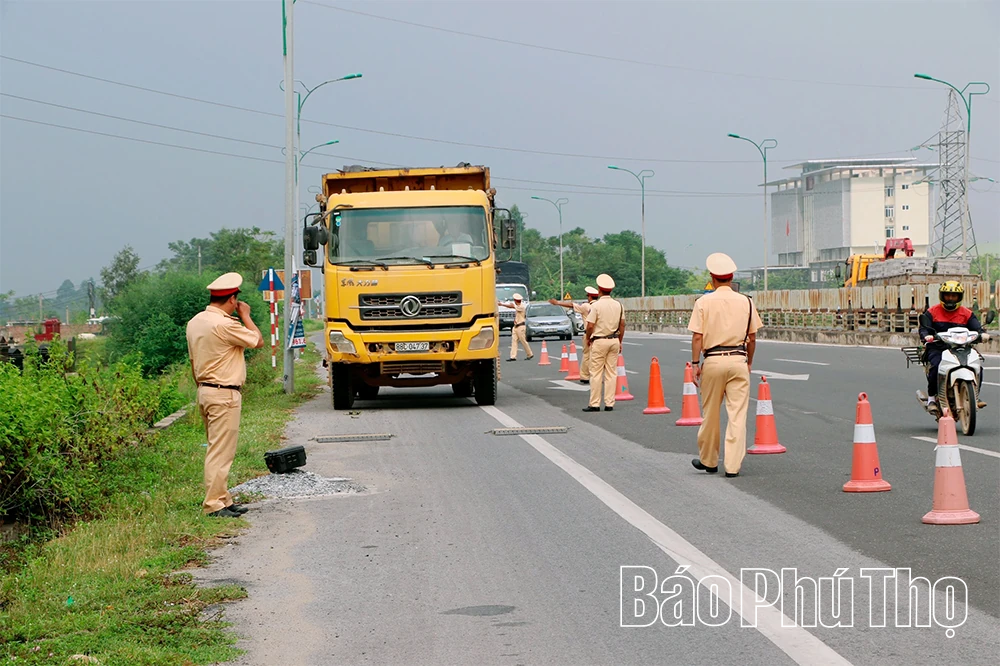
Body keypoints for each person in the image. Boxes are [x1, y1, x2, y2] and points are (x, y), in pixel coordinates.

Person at [186, 272, 265, 518]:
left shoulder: (195, 321)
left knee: (217, 447)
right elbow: (258, 340)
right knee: (221, 452)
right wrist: (246, 315)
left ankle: (223, 498)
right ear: (232, 300)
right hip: (224, 394)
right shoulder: (225, 324)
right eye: (236, 302)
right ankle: (213, 504)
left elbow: (192, 361)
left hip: (205, 390)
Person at [688, 253, 762, 478]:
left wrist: (694, 364)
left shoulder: (703, 302)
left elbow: (697, 338)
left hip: (713, 360)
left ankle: (709, 460)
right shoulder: (747, 302)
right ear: (732, 278)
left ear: (712, 277)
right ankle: (733, 466)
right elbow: (753, 337)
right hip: (738, 359)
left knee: (710, 413)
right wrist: (748, 362)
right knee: (737, 415)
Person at [918, 281, 987, 415]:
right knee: (936, 367)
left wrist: (982, 334)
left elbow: (977, 329)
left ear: (959, 297)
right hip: (938, 347)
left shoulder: (966, 313)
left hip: (962, 347)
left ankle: (975, 396)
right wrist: (926, 336)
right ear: (942, 296)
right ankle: (932, 398)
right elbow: (924, 328)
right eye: (947, 295)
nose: (950, 298)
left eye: (954, 296)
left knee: (978, 366)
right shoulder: (932, 312)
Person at [583, 274, 625, 412]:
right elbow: (622, 325)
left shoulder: (596, 306)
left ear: (599, 289)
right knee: (611, 373)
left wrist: (588, 338)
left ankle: (594, 403)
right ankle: (609, 403)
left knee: (595, 372)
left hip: (599, 341)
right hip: (614, 340)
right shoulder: (619, 305)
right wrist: (620, 341)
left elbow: (590, 326)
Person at [550, 286, 599, 384]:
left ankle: (585, 376)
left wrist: (558, 303)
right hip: (600, 335)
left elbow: (572, 305)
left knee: (587, 356)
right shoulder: (600, 306)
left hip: (589, 334)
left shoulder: (586, 306)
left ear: (589, 297)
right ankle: (597, 375)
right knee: (598, 357)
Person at [498, 293, 533, 361]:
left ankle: (530, 354)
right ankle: (513, 356)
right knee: (514, 341)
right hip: (516, 326)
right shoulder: (518, 306)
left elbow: (511, 306)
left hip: (521, 326)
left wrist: (502, 304)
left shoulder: (521, 307)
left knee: (523, 341)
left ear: (516, 300)